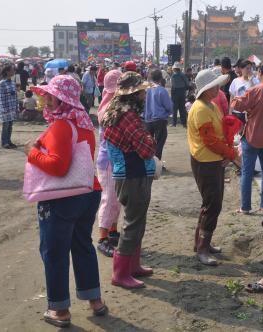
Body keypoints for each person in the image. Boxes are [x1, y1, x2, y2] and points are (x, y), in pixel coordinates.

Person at [28, 75, 107, 327]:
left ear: (65, 99)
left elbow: (58, 166)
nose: (47, 100)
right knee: (82, 245)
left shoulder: (63, 126)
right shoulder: (83, 123)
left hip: (63, 198)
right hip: (88, 191)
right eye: (47, 95)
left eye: (53, 96)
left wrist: (32, 154)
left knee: (54, 252)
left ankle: (59, 310)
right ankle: (95, 300)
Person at [102, 72, 157, 289]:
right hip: (134, 176)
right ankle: (121, 273)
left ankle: (133, 266)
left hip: (125, 175)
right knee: (133, 224)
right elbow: (146, 150)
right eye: (142, 91)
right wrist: (150, 139)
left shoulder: (115, 113)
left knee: (135, 221)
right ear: (133, 94)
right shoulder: (130, 118)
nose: (145, 94)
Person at [187, 68, 238, 265]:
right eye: (214, 85)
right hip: (205, 160)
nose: (218, 88)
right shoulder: (200, 108)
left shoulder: (211, 105)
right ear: (206, 89)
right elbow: (209, 140)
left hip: (214, 159)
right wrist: (230, 153)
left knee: (211, 203)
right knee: (212, 204)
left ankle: (202, 244)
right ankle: (202, 248)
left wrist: (226, 152)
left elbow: (220, 135)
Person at [231, 61, 263, 214]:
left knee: (247, 172)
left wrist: (244, 87)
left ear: (260, 72)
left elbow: (237, 105)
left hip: (253, 135)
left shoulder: (256, 90)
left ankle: (245, 207)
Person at [96, 69, 122, 257]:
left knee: (116, 198)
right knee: (109, 198)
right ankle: (102, 238)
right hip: (108, 161)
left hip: (116, 159)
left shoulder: (113, 104)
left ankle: (112, 231)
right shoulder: (108, 108)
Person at [144, 69, 173, 160]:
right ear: (160, 78)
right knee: (159, 143)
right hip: (160, 120)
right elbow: (169, 106)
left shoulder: (145, 90)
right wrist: (169, 113)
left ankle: (150, 163)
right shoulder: (162, 90)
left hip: (147, 120)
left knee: (148, 143)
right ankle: (156, 163)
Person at [0, 64, 19, 149]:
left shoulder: (12, 82)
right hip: (5, 108)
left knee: (10, 125)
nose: (14, 71)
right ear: (7, 72)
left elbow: (15, 96)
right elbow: (1, 97)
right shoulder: (2, 83)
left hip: (12, 107)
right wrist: (4, 109)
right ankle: (4, 142)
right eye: (12, 70)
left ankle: (9, 141)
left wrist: (16, 107)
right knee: (5, 126)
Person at [170, 62, 189, 127]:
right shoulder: (182, 75)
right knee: (182, 108)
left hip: (175, 92)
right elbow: (187, 83)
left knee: (174, 108)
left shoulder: (173, 76)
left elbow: (172, 86)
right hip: (182, 92)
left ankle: (174, 123)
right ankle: (184, 123)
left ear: (174, 69)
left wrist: (172, 95)